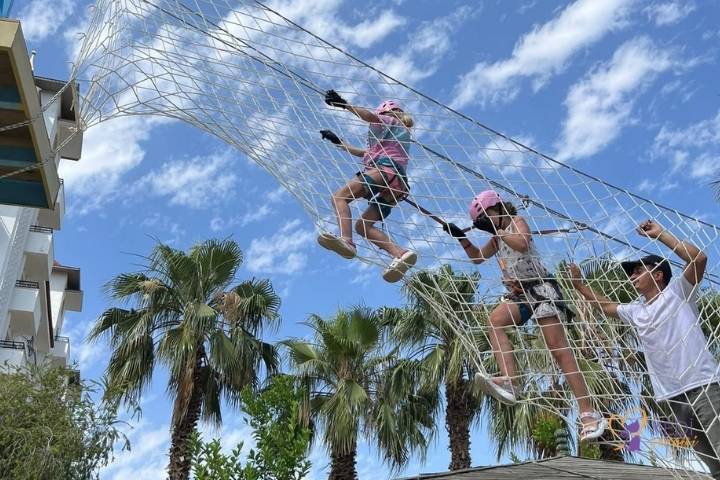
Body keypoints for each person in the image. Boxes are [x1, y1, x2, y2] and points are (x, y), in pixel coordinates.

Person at [444, 189, 606, 441]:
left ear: (499, 209)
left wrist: (496, 230)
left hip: (541, 288)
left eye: (488, 215)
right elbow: (477, 257)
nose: (486, 222)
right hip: (521, 295)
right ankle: (510, 380)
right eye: (482, 220)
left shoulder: (516, 223)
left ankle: (588, 413)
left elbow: (521, 242)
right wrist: (461, 239)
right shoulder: (497, 239)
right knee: (495, 321)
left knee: (558, 350)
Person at [569, 220, 720, 477]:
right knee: (714, 467)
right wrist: (580, 287)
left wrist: (660, 233)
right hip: (672, 398)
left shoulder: (678, 292)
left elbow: (698, 258)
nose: (632, 277)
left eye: (638, 271)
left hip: (703, 386)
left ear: (658, 274)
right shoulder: (636, 311)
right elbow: (606, 307)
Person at [318, 89, 416, 283]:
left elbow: (371, 117)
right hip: (397, 185)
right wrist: (339, 142)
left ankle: (346, 241)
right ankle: (400, 254)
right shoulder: (393, 138)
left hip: (385, 172)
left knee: (339, 197)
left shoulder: (391, 121)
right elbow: (364, 153)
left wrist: (345, 105)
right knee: (363, 226)